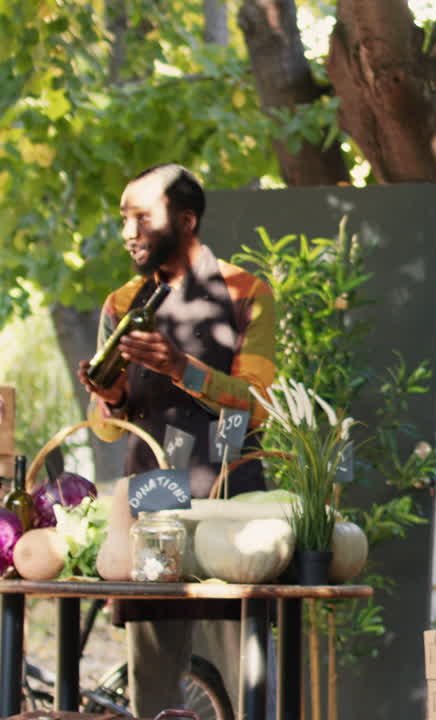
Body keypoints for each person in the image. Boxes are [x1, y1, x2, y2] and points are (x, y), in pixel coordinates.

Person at [76, 163, 277, 715]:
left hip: (230, 494)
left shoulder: (246, 294)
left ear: (186, 221)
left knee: (245, 673)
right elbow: (106, 427)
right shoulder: (121, 304)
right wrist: (110, 394)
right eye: (123, 218)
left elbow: (258, 404)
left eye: (142, 216)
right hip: (153, 495)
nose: (128, 231)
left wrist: (182, 368)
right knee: (154, 675)